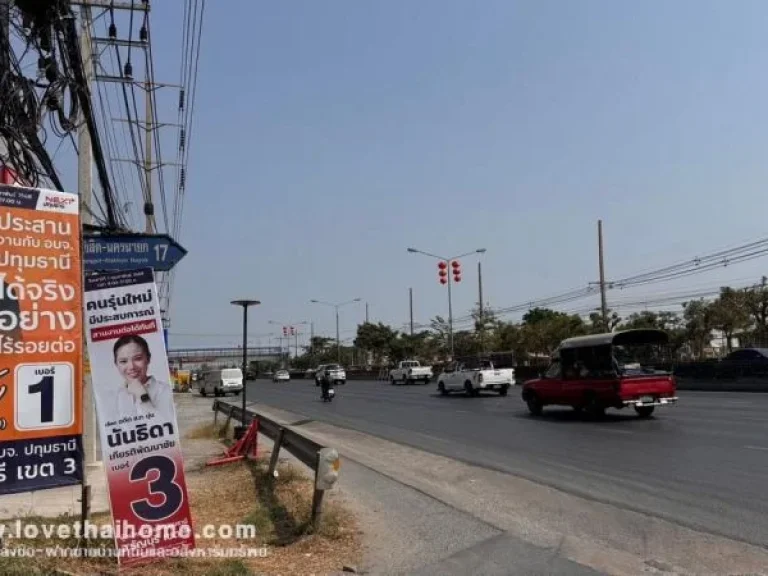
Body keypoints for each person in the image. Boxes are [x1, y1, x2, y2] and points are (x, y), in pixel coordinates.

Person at [105, 334, 176, 423]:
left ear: (148, 359)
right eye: (123, 361)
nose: (131, 366)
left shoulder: (164, 391)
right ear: (116, 364)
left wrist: (143, 396)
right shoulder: (114, 397)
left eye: (137, 359)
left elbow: (165, 428)